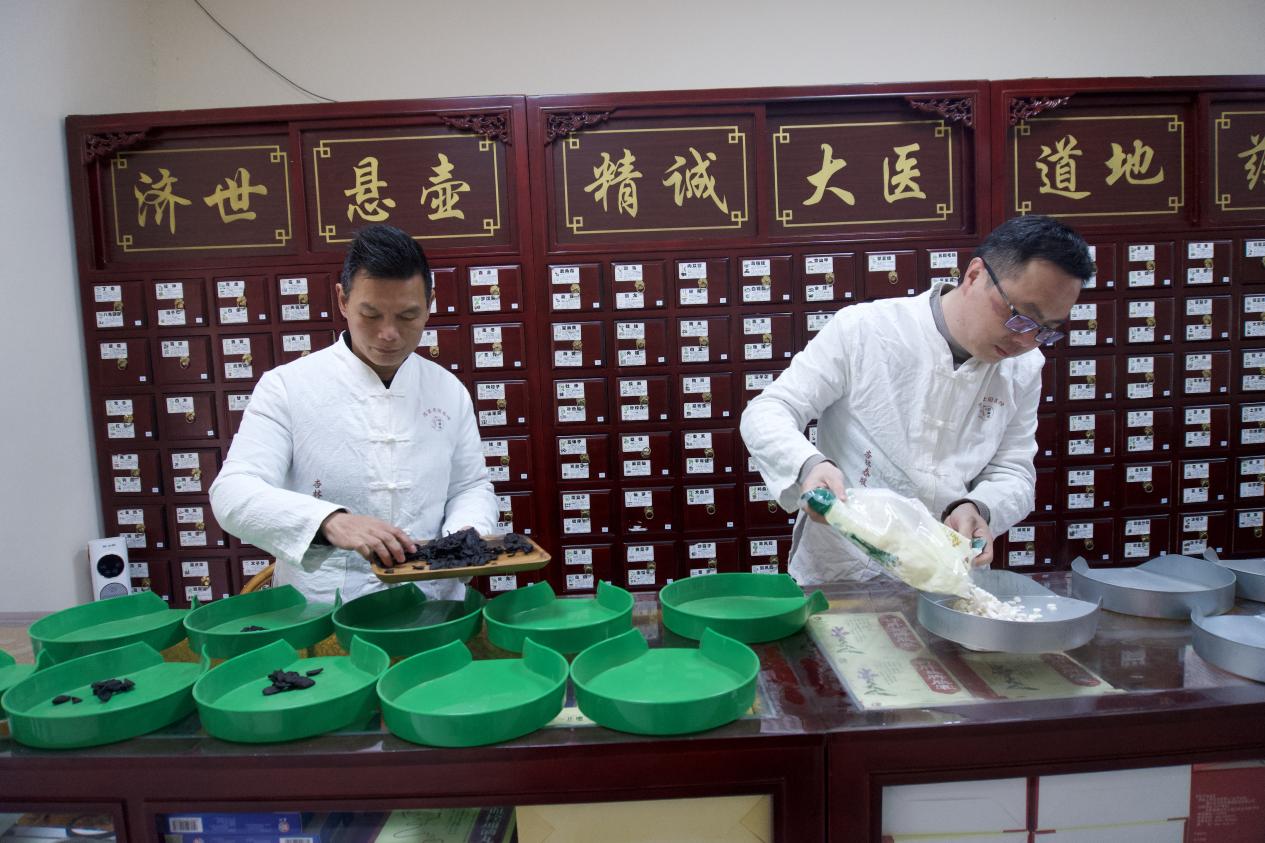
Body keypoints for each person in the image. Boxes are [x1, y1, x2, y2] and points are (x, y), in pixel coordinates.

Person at [740, 215, 1093, 584]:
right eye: (1020, 318)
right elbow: (768, 411)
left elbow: (1013, 471)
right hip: (844, 568)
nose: (1026, 341)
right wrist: (809, 466)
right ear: (975, 276)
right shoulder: (866, 329)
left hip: (945, 573)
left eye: (1046, 331)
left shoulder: (1024, 367)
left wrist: (978, 507)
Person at [210, 224, 497, 604]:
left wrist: (462, 539)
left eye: (408, 316)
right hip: (322, 609)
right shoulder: (287, 386)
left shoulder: (448, 389)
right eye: (371, 314)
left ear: (430, 303)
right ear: (343, 301)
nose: (389, 333)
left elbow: (469, 486)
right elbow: (232, 492)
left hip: (433, 601)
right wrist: (328, 521)